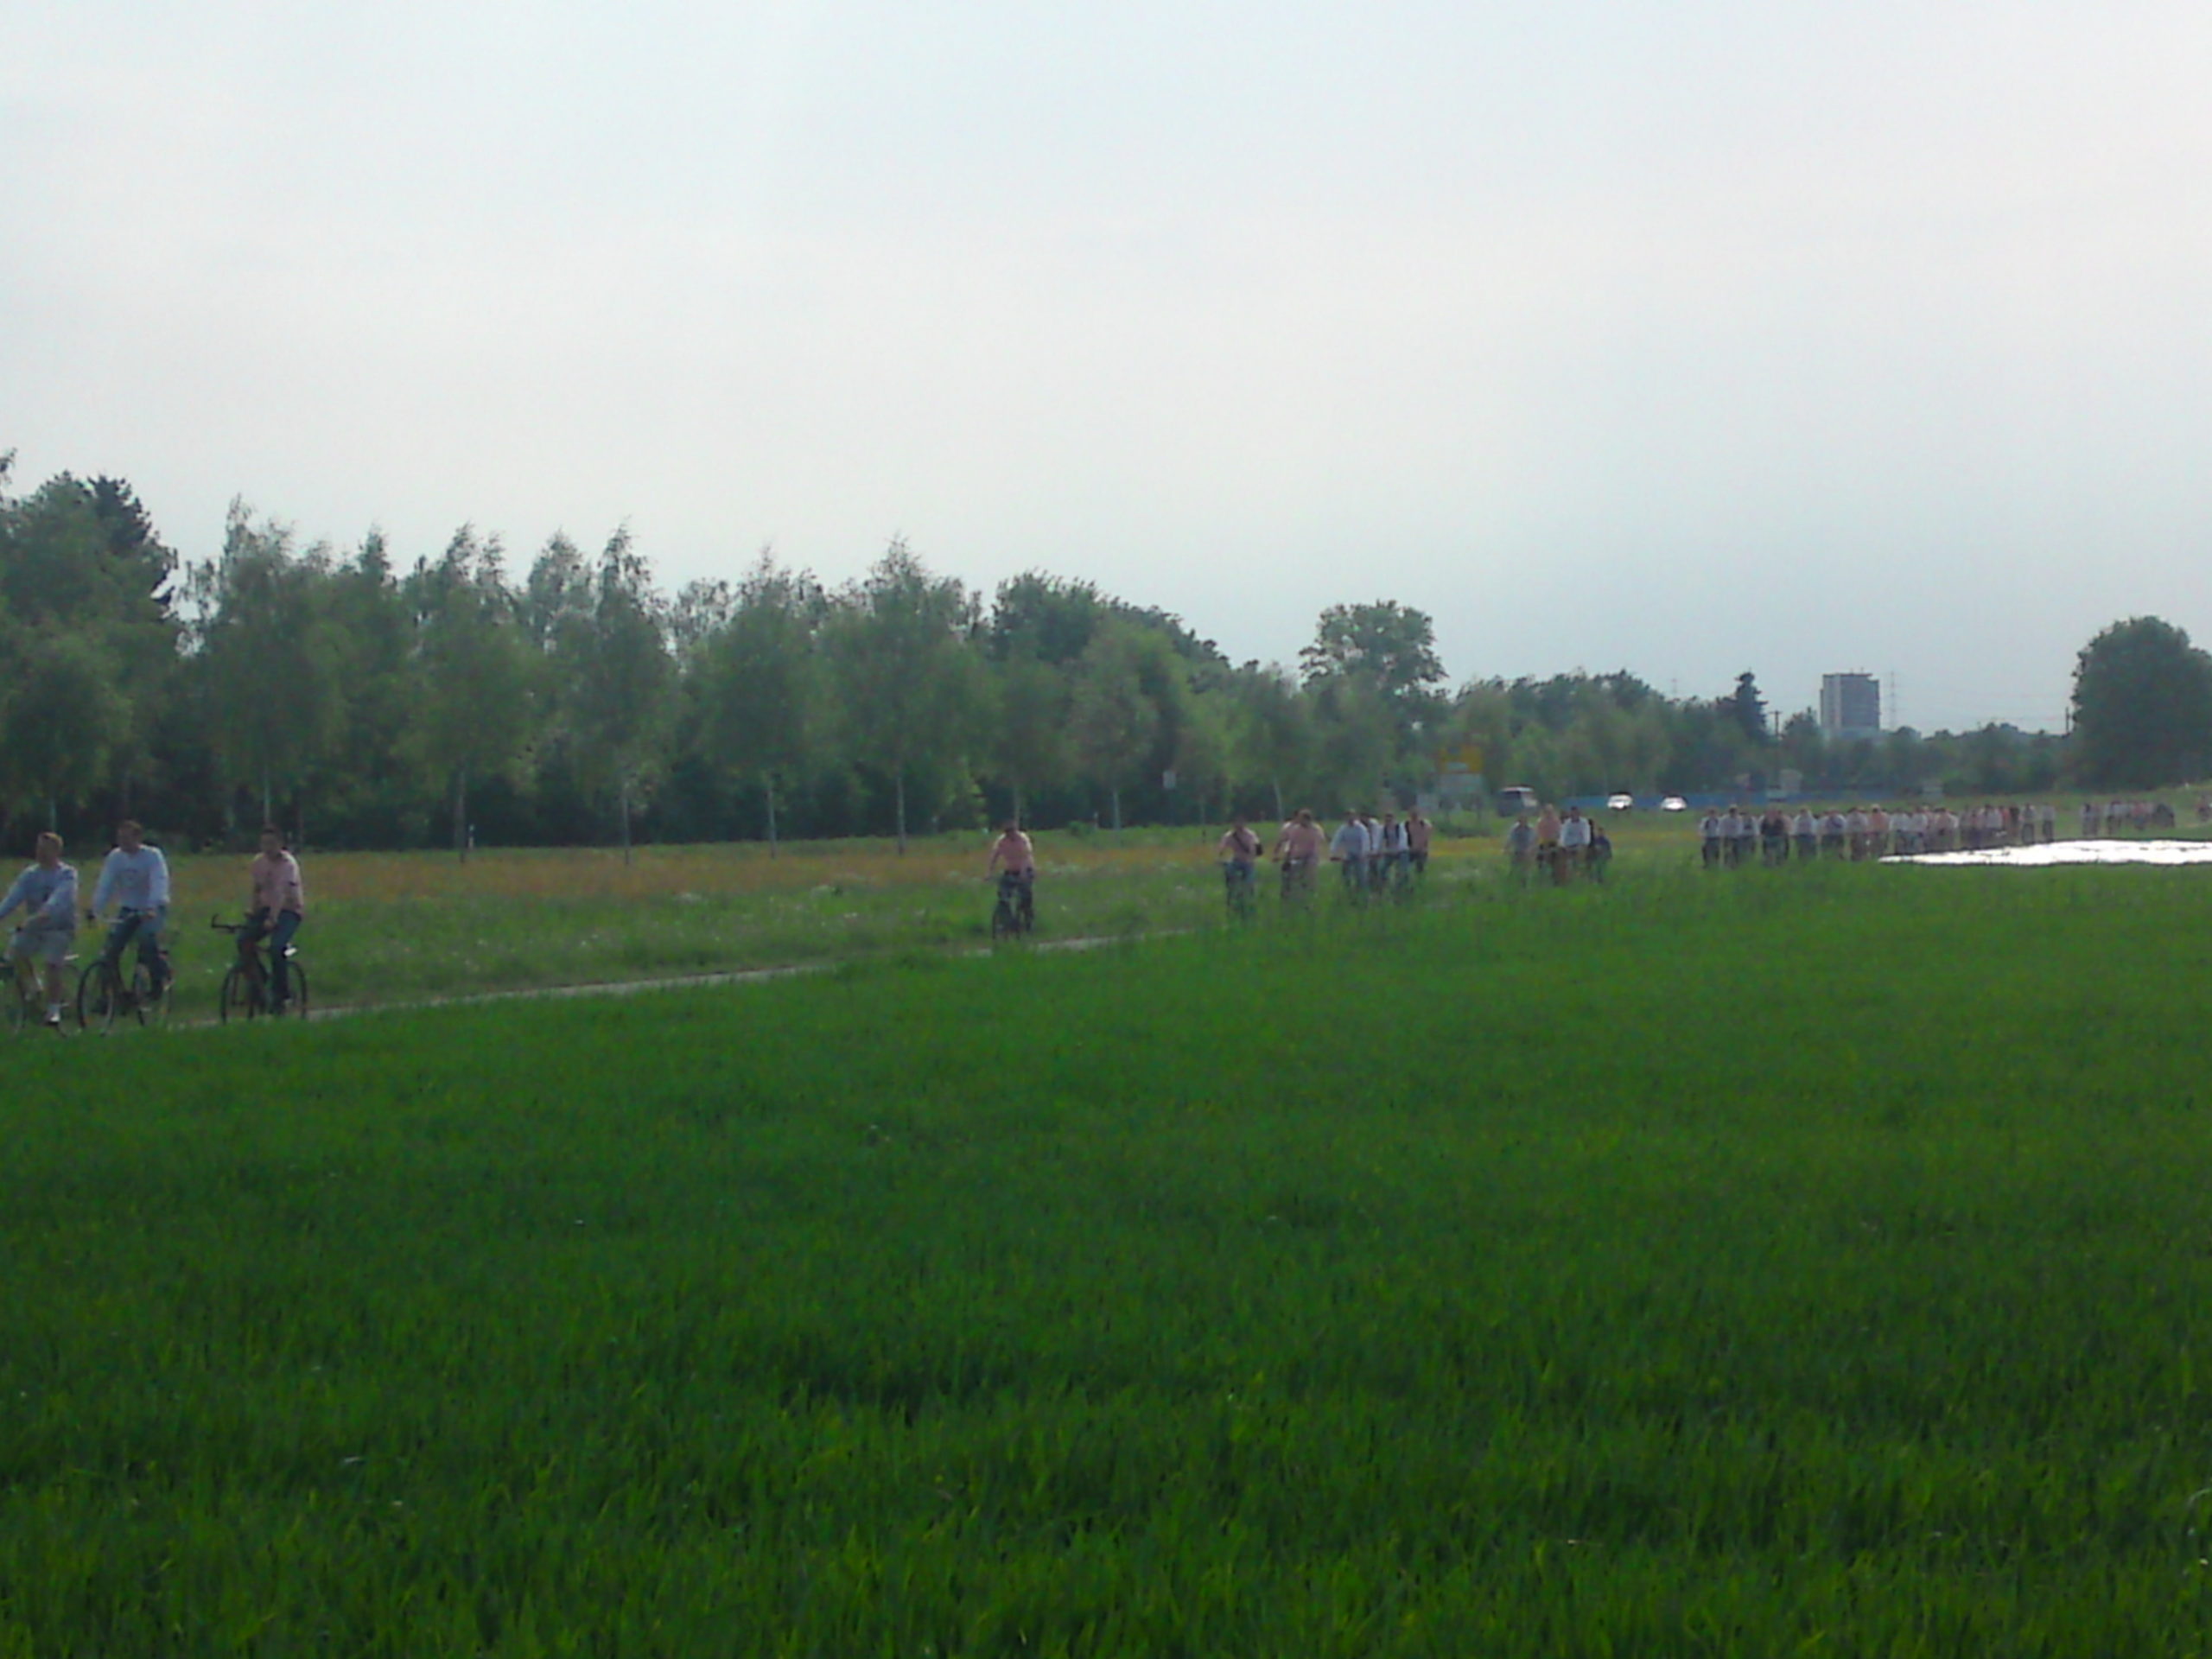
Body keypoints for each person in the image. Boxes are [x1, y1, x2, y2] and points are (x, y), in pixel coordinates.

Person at [0, 832, 79, 1027]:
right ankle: (35, 987)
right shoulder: (30, 875)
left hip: (59, 928)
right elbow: (13, 898)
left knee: (52, 963)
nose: (40, 853)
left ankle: (53, 1009)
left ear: (57, 851)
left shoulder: (67, 874)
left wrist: (43, 913)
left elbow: (60, 899)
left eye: (45, 849)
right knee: (15, 951)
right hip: (34, 927)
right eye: (38, 848)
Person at [87, 818, 170, 1000]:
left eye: (126, 838)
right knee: (111, 949)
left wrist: (152, 906)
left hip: (152, 908)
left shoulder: (152, 856)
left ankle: (158, 982)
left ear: (138, 838)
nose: (122, 843)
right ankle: (114, 994)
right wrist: (95, 909)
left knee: (147, 940)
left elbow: (159, 880)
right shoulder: (115, 857)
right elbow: (105, 884)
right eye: (120, 838)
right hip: (128, 908)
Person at [241, 824, 307, 1012]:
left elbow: (281, 893)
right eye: (264, 844)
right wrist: (253, 910)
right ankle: (259, 981)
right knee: (244, 942)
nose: (267, 848)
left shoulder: (288, 864)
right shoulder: (259, 862)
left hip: (288, 911)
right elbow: (257, 888)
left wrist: (273, 919)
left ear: (280, 844)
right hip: (266, 908)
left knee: (276, 948)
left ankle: (282, 993)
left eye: (271, 843)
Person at [987, 820, 1036, 929]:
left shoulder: (1023, 839)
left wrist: (1023, 872)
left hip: (1026, 870)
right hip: (1011, 870)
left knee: (1025, 895)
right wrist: (989, 873)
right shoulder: (1002, 841)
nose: (1009, 834)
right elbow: (994, 856)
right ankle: (1006, 919)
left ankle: (1028, 918)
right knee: (1003, 893)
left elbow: (1026, 856)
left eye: (1011, 831)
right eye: (1007, 831)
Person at [1275, 808, 1323, 899]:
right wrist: (1288, 856)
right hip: (1297, 856)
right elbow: (1291, 844)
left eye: (1301, 818)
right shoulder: (1296, 829)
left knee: (1310, 875)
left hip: (1311, 857)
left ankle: (1311, 895)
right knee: (1294, 875)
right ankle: (1295, 895)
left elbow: (1316, 845)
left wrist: (1311, 857)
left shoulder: (1316, 830)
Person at [1217, 816, 1261, 909]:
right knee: (1229, 870)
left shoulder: (1250, 835)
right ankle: (1231, 891)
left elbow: (1253, 848)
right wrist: (1220, 857)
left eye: (1241, 822)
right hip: (1236, 860)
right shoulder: (1229, 835)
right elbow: (1222, 847)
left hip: (1247, 861)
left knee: (1249, 879)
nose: (1239, 825)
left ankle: (1250, 896)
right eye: (1237, 823)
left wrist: (1251, 858)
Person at [1330, 809, 1370, 895]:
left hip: (1360, 854)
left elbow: (1365, 841)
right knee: (1346, 874)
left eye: (1351, 816)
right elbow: (1336, 840)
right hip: (1349, 854)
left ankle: (1362, 893)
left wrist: (1363, 853)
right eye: (1348, 817)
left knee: (1361, 875)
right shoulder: (1343, 829)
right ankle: (1348, 891)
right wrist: (1333, 852)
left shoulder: (1361, 828)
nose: (1350, 819)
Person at [1404, 809, 1433, 877]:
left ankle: (1420, 880)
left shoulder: (1424, 824)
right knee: (1405, 867)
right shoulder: (1407, 824)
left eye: (1415, 815)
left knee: (1420, 868)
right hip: (1410, 849)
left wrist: (1422, 846)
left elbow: (1426, 836)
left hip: (1421, 850)